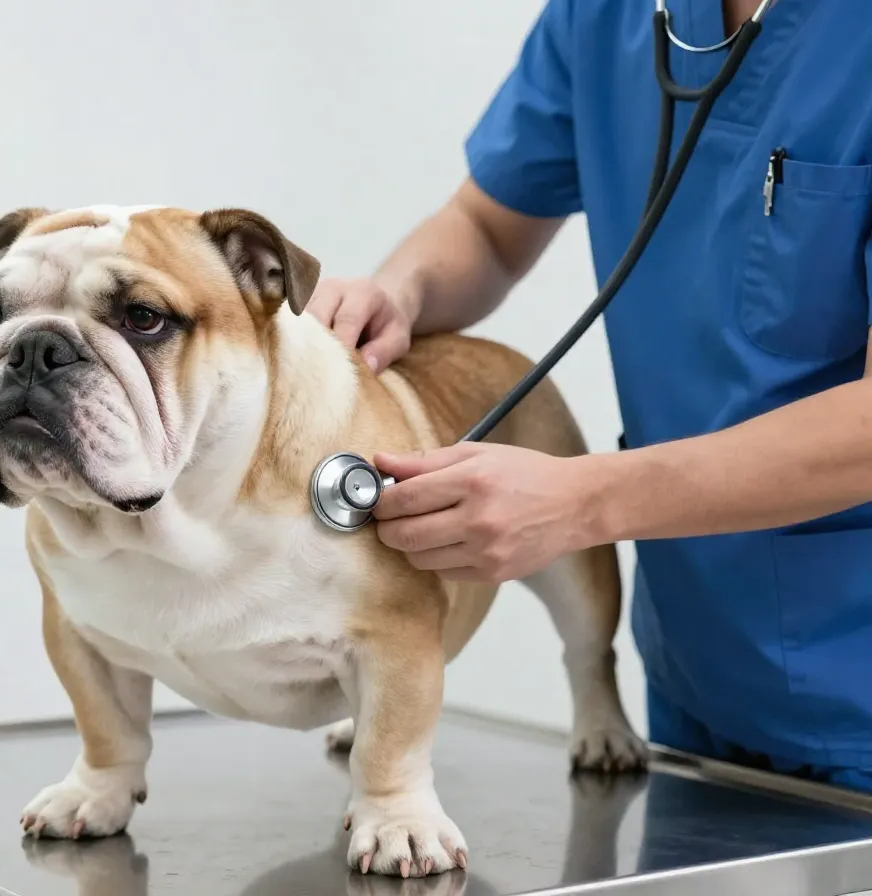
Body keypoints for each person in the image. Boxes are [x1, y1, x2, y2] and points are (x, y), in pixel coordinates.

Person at [306, 0, 872, 791]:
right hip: (697, 673)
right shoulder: (605, 17)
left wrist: (578, 503)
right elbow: (488, 225)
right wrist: (403, 291)